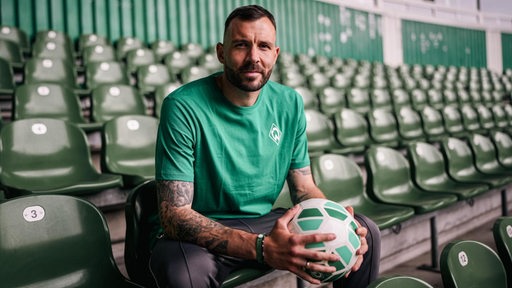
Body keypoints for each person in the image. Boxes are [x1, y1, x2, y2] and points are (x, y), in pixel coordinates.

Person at [151, 4, 380, 288]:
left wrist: (337, 221)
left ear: (276, 54)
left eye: (263, 46)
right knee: (185, 272)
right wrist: (261, 247)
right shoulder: (183, 106)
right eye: (241, 45)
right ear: (221, 52)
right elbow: (175, 215)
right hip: (201, 233)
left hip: (262, 221)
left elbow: (304, 188)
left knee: (364, 231)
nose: (253, 57)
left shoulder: (290, 103)